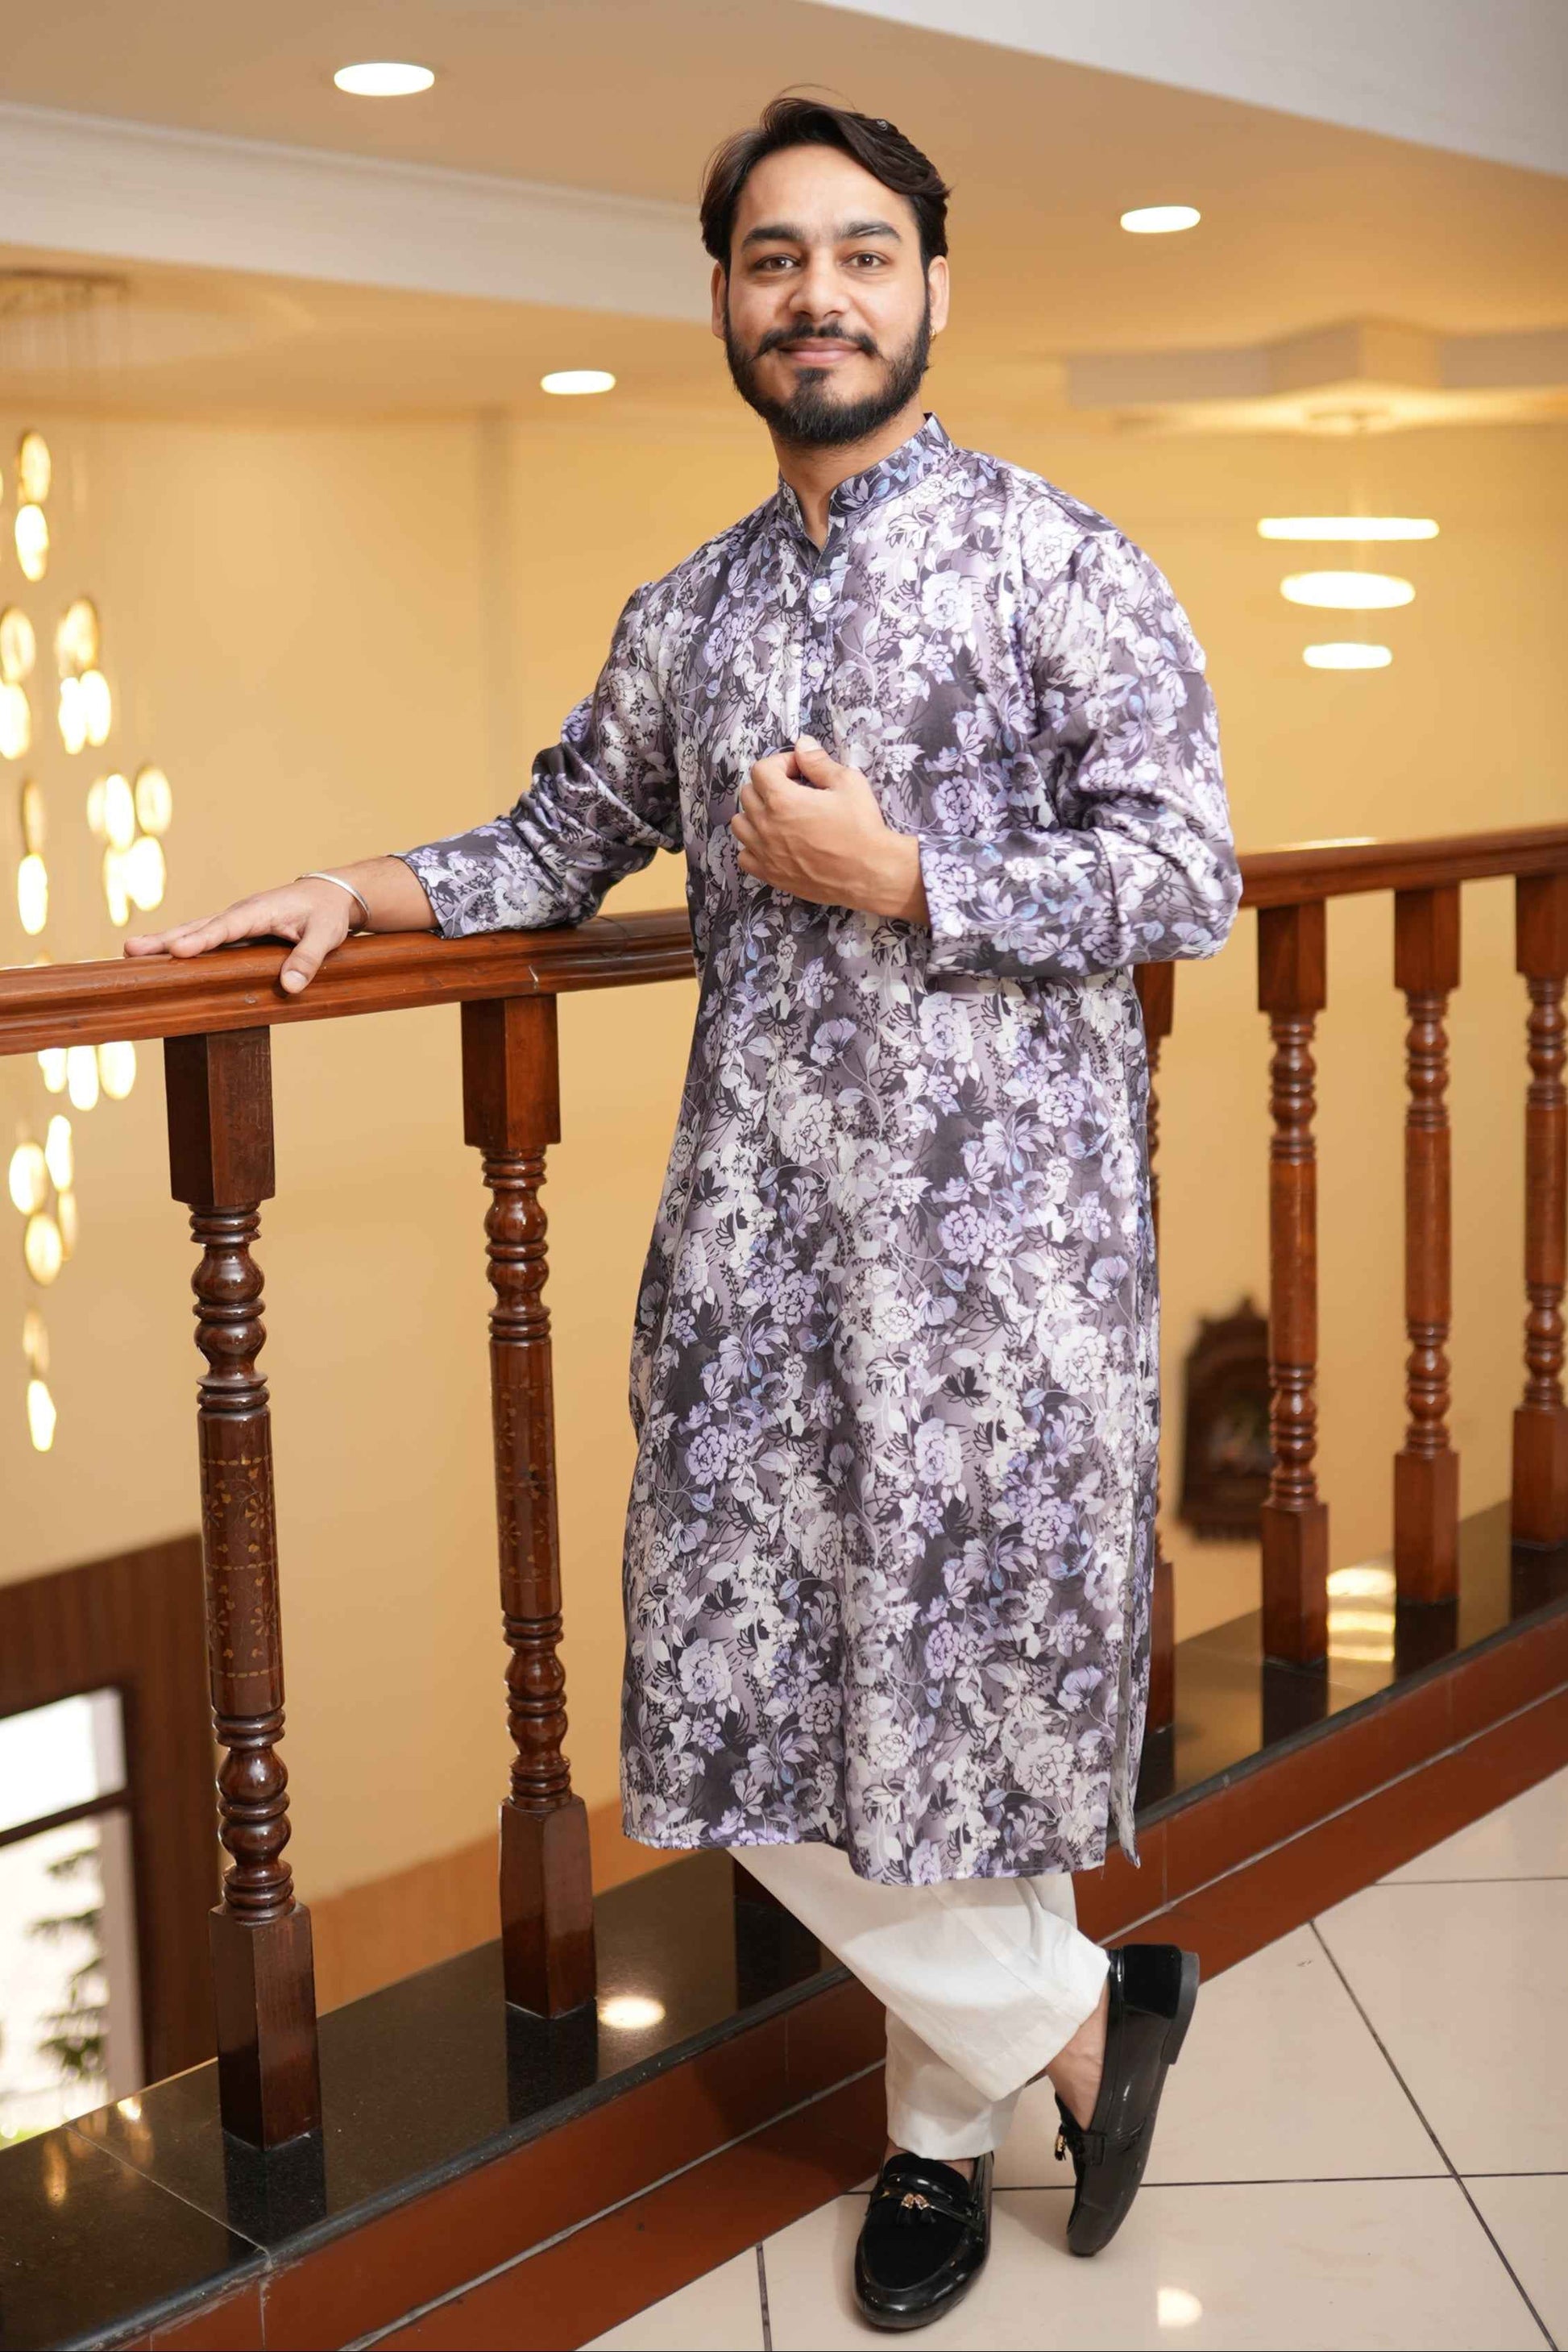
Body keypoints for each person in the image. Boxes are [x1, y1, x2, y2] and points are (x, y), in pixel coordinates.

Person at [128, 97, 1239, 2331]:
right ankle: (1074, 2019)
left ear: (932, 288)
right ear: (724, 298)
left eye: (859, 253)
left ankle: (940, 2138)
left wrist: (901, 874)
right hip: (759, 1255)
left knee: (965, 1697)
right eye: (772, 258)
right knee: (734, 1703)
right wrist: (353, 888)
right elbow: (556, 840)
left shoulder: (1064, 564)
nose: (816, 294)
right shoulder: (690, 613)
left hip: (1008, 1273)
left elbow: (1182, 871)